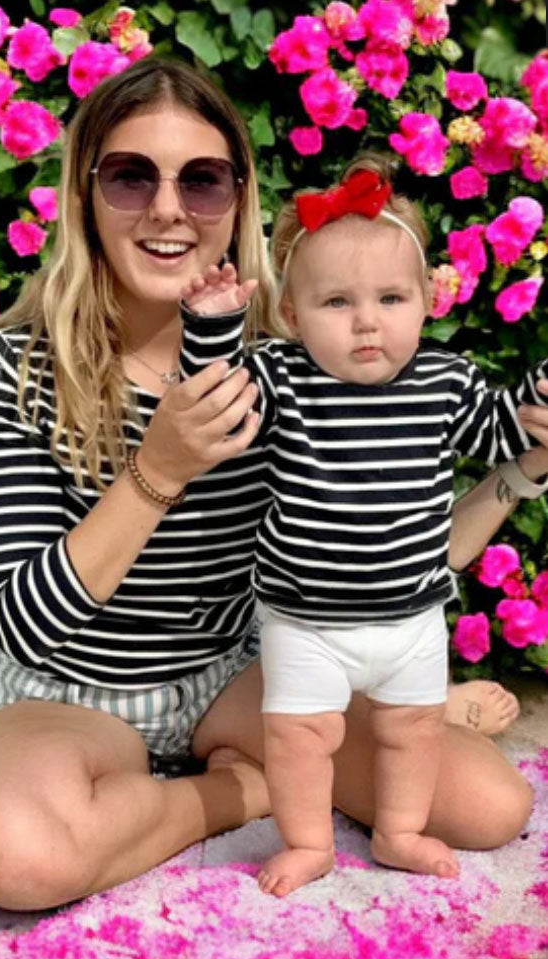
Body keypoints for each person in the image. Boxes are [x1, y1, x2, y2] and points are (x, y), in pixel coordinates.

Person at [0, 55, 546, 914]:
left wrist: (523, 466)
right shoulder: (15, 367)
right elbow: (22, 624)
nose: (166, 208)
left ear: (236, 201)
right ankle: (240, 793)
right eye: (128, 176)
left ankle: (282, 747)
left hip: (237, 676)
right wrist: (158, 470)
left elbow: (384, 541)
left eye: (201, 181)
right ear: (84, 194)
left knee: (490, 807)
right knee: (16, 859)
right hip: (68, 689)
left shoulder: (293, 361)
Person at [179, 158, 548, 896]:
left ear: (425, 304)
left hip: (411, 618)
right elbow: (215, 397)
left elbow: (503, 427)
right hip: (304, 622)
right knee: (299, 737)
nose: (368, 321)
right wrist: (213, 327)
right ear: (290, 316)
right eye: (337, 302)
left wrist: (537, 398)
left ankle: (399, 830)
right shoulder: (285, 378)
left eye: (390, 298)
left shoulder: (446, 381)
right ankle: (310, 842)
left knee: (409, 734)